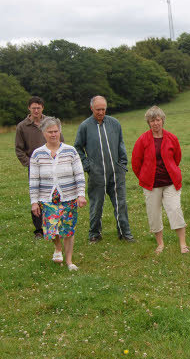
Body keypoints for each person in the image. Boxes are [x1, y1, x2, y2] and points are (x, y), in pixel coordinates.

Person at [74, 95, 135, 243]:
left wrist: (122, 164)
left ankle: (125, 233)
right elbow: (77, 147)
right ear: (91, 108)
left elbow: (121, 144)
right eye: (98, 109)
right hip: (97, 174)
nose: (101, 112)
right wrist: (88, 166)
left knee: (121, 204)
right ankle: (94, 234)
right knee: (96, 205)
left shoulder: (115, 123)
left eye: (103, 109)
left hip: (116, 172)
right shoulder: (85, 126)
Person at [29, 118, 87, 271]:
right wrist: (34, 201)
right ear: (44, 133)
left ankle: (69, 261)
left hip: (69, 196)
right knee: (51, 229)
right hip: (47, 198)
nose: (53, 134)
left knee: (68, 229)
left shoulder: (70, 151)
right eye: (50, 132)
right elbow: (34, 179)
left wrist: (81, 194)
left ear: (60, 132)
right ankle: (57, 247)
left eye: (56, 131)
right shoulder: (37, 154)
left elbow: (79, 175)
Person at [132, 106, 189, 255]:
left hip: (171, 182)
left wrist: (170, 169)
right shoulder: (142, 140)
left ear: (163, 120)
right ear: (148, 123)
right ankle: (160, 244)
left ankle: (183, 244)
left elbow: (177, 158)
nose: (155, 123)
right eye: (152, 120)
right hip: (151, 185)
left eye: (158, 119)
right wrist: (145, 177)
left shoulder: (172, 138)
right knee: (154, 214)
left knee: (175, 209)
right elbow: (136, 163)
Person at [15, 96, 64, 239]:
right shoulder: (22, 126)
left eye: (39, 107)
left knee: (54, 192)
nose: (36, 110)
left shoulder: (50, 123)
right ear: (29, 108)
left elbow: (60, 140)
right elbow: (19, 149)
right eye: (33, 108)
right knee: (36, 195)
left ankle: (56, 222)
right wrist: (29, 163)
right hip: (35, 166)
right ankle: (39, 229)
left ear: (43, 108)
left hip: (53, 165)